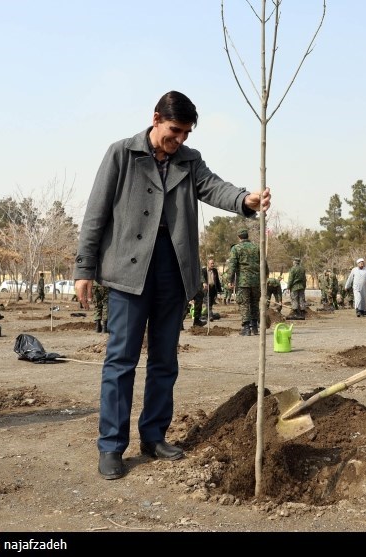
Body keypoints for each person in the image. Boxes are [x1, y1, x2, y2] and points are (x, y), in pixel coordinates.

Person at [73, 90, 271, 480]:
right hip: (128, 273)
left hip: (173, 272)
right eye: (174, 131)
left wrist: (245, 200)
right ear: (155, 118)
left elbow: (215, 188)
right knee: (120, 361)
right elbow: (95, 213)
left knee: (165, 361)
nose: (179, 140)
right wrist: (84, 269)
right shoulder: (121, 154)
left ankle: (154, 435)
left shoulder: (189, 161)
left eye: (185, 134)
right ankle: (112, 446)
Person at [228, 229, 265, 335]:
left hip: (243, 282)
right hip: (256, 281)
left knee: (244, 304)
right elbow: (264, 263)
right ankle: (254, 327)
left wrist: (230, 280)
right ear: (247, 236)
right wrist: (264, 276)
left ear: (239, 237)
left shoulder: (236, 248)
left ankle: (246, 328)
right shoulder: (257, 247)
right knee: (254, 303)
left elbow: (232, 265)